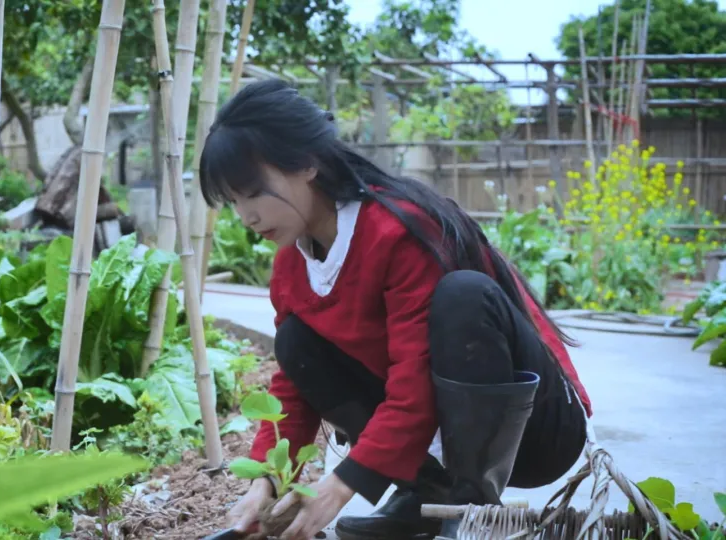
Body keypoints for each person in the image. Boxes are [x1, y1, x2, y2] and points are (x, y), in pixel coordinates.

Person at [198, 79, 593, 540]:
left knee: (464, 294)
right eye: (234, 202)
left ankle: (467, 503)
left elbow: (416, 378)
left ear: (306, 163)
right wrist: (265, 479)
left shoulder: (399, 230)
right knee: (295, 343)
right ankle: (427, 492)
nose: (246, 216)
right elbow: (293, 387)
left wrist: (342, 485)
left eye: (252, 192)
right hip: (438, 432)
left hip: (536, 433)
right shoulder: (291, 268)